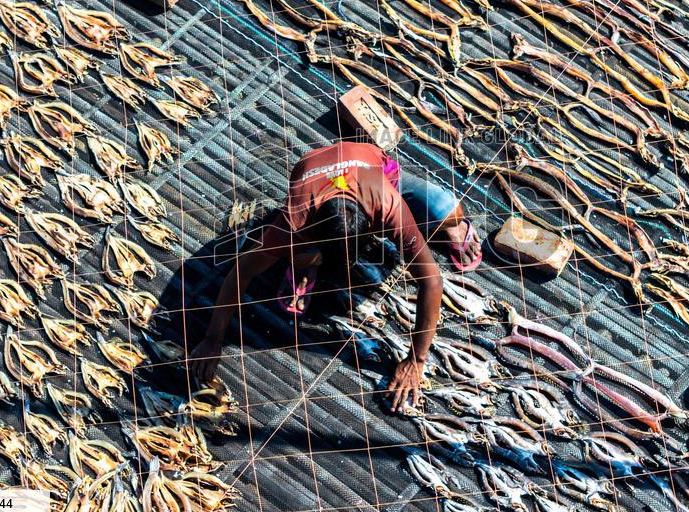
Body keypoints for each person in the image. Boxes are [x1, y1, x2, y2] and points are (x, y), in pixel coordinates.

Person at [190, 141, 482, 411]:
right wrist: (213, 337)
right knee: (295, 251)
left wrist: (416, 360)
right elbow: (242, 270)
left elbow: (431, 281)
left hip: (375, 170)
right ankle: (306, 264)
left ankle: (325, 257)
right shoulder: (296, 219)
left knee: (446, 210)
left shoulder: (387, 201)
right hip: (316, 177)